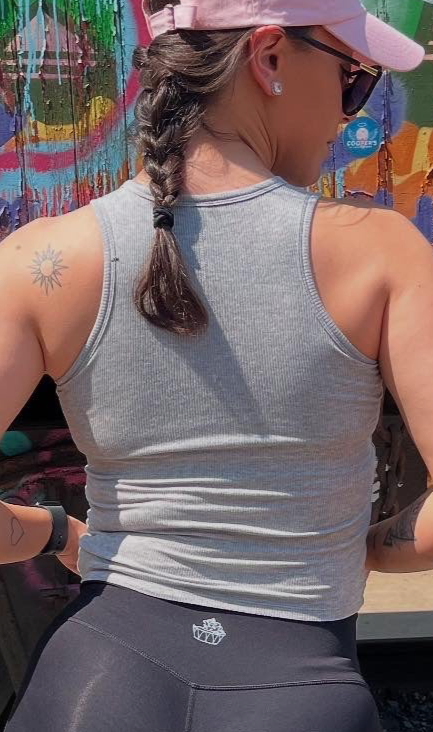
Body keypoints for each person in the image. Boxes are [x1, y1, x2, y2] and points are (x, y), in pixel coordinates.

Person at [1, 0, 433, 729]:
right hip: (298, 691)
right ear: (269, 58)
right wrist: (362, 548)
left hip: (95, 681)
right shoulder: (380, 253)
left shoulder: (41, 260)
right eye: (351, 78)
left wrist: (53, 533)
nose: (347, 110)